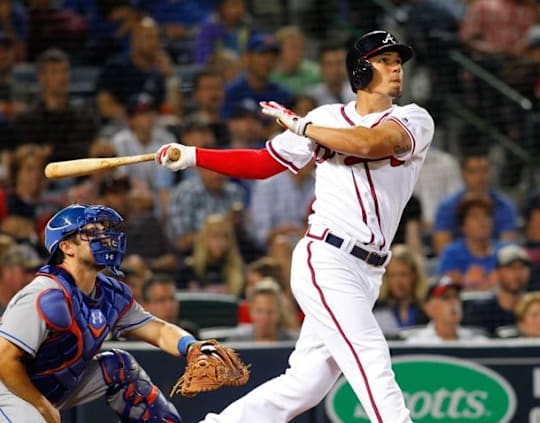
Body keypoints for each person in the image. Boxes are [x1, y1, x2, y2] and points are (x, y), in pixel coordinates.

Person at [155, 29, 434, 423]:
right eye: (384, 60)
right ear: (360, 71)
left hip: (370, 269)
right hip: (328, 256)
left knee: (306, 383)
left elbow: (372, 144)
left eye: (397, 61)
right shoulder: (324, 118)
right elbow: (262, 163)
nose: (395, 68)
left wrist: (302, 128)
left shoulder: (413, 118)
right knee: (369, 352)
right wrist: (193, 156)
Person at [0, 204, 223, 422]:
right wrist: (40, 405)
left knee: (119, 366)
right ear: (67, 247)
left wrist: (192, 346)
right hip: (9, 390)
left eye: (103, 231)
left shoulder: (109, 292)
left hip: (49, 388)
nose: (104, 238)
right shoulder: (44, 294)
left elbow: (158, 330)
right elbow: (3, 360)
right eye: (91, 233)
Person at [463, 244, 531, 336]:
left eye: (522, 267)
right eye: (510, 268)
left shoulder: (535, 309)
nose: (517, 273)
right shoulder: (480, 310)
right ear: (497, 272)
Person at [404, 275, 488, 343]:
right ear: (429, 307)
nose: (453, 302)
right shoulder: (418, 344)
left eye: (456, 296)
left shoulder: (477, 342)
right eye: (446, 298)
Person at [373, 244, 429, 338]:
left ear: (414, 275)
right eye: (392, 275)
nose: (398, 281)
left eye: (403, 274)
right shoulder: (376, 307)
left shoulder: (428, 305)